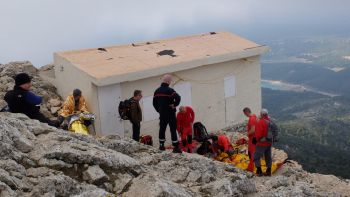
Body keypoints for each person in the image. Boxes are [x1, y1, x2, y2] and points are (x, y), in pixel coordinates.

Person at [153, 74, 182, 153]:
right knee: (173, 129)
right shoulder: (170, 90)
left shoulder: (157, 91)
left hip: (162, 114)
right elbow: (178, 97)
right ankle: (175, 147)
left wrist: (159, 110)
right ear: (169, 81)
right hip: (170, 113)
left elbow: (154, 103)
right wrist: (174, 105)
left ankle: (161, 145)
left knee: (162, 129)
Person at [254, 109, 273, 176]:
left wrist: (256, 140)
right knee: (268, 156)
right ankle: (268, 171)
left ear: (261, 114)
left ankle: (259, 171)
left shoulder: (261, 122)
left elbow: (258, 135)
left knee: (256, 156)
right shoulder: (270, 121)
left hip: (262, 143)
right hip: (269, 142)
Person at [243, 107, 258, 172]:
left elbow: (253, 130)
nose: (245, 115)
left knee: (252, 152)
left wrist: (247, 133)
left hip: (253, 138)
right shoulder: (254, 116)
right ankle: (253, 165)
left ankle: (251, 168)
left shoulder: (252, 119)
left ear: (246, 112)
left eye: (244, 113)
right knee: (251, 151)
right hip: (254, 138)